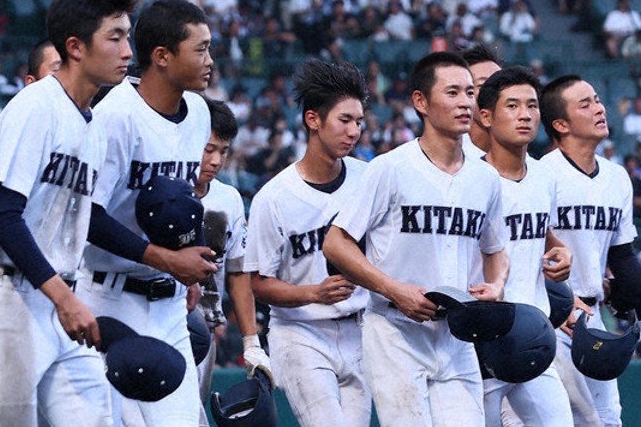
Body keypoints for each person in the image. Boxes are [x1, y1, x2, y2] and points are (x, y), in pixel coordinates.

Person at [0, 0, 212, 426]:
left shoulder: (91, 123)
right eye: (114, 37)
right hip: (5, 296)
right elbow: (2, 214)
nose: (127, 51)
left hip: (58, 297)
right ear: (75, 47)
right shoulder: (36, 107)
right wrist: (63, 296)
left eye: (127, 37)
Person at [322, 51, 509, 425]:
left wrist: (497, 283)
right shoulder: (390, 168)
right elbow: (336, 243)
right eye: (453, 92)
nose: (465, 103)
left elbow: (497, 248)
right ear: (421, 102)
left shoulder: (485, 178)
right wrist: (394, 289)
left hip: (456, 333)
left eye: (470, 93)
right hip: (394, 330)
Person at [78, 0, 218, 426]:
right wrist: (168, 259)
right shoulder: (116, 116)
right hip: (108, 300)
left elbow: (181, 202)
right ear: (161, 56)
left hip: (170, 305)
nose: (210, 60)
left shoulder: (197, 112)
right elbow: (87, 216)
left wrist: (188, 255)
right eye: (200, 49)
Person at [538, 75, 641, 427]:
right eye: (585, 104)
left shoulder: (617, 177)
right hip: (548, 316)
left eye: (598, 99)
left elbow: (621, 255)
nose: (599, 108)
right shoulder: (541, 175)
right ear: (560, 124)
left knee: (607, 420)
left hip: (591, 318)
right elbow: (524, 252)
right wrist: (559, 300)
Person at [244, 59, 373, 426]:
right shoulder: (275, 196)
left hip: (360, 330)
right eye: (344, 120)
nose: (353, 131)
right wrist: (313, 293)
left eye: (359, 122)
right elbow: (259, 283)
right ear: (313, 119)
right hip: (301, 332)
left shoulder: (369, 179)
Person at [475, 66, 573, 426]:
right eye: (512, 106)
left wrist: (563, 251)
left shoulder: (544, 176)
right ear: (486, 116)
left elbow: (543, 235)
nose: (525, 114)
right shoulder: (471, 180)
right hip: (480, 340)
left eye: (531, 106)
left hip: (534, 332)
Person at [193, 97, 270, 426]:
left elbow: (238, 272)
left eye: (223, 151)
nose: (215, 160)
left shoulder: (229, 198)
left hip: (207, 329)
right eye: (208, 149)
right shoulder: (161, 188)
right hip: (165, 317)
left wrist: (251, 340)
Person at [462, 44, 502, 160]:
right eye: (483, 85)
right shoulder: (448, 161)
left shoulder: (528, 165)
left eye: (501, 84)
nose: (495, 93)